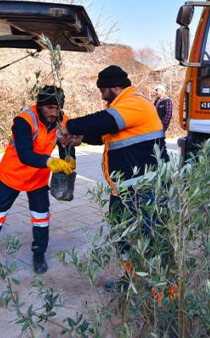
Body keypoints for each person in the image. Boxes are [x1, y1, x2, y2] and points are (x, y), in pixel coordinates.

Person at [58, 65, 168, 287]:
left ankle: (165, 292)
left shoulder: (135, 102)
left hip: (144, 189)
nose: (101, 95)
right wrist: (81, 139)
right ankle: (131, 281)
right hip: (124, 189)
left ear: (115, 87)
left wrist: (68, 125)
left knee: (153, 239)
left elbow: (104, 121)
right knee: (123, 238)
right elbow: (106, 135)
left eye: (102, 90)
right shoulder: (122, 107)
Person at [0, 86, 76, 274]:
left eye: (57, 108)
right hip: (12, 176)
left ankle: (39, 254)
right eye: (50, 107)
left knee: (41, 218)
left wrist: (69, 157)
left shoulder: (62, 121)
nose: (54, 112)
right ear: (39, 106)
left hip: (38, 179)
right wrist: (51, 162)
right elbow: (25, 155)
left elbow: (65, 143)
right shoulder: (24, 121)